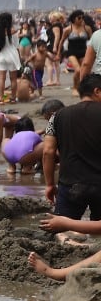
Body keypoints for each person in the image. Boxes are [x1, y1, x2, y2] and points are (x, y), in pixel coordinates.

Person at [42, 73, 101, 221]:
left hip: (70, 184)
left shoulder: (57, 116)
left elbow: (48, 151)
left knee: (62, 227)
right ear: (97, 91)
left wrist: (50, 184)